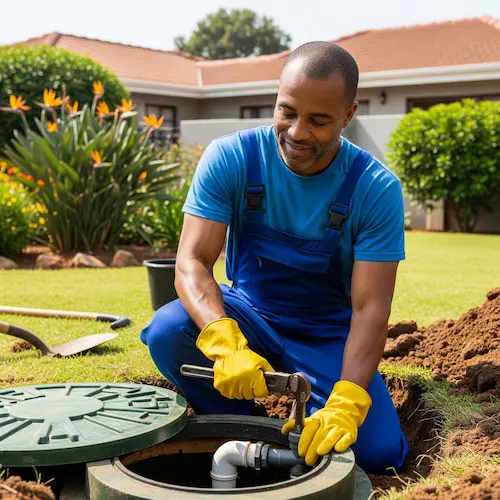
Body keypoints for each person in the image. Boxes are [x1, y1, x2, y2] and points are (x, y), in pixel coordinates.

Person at [140, 41, 409, 473]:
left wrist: (347, 401)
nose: (298, 132)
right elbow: (191, 262)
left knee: (376, 452)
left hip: (326, 334)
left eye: (318, 120)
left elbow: (371, 307)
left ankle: (312, 426)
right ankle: (248, 430)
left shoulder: (374, 189)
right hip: (250, 314)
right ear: (276, 100)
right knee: (168, 330)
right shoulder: (232, 158)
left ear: (349, 115)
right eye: (287, 112)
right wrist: (224, 340)